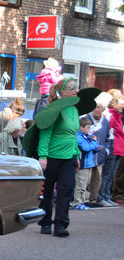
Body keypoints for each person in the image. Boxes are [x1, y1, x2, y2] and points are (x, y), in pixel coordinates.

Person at [26, 78, 97, 237]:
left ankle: (60, 225)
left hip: (69, 157)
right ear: (62, 92)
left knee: (65, 192)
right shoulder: (54, 108)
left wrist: (77, 155)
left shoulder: (74, 109)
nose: (76, 91)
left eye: (76, 88)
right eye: (71, 89)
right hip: (51, 156)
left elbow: (73, 135)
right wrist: (42, 156)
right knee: (48, 192)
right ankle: (45, 222)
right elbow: (45, 133)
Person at [97, 89, 124, 207]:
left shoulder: (117, 116)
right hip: (113, 146)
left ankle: (106, 196)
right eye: (121, 103)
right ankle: (101, 196)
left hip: (118, 147)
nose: (123, 105)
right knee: (107, 174)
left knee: (112, 174)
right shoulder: (110, 115)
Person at [86, 92, 111, 207]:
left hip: (100, 155)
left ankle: (93, 200)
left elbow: (107, 138)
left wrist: (106, 150)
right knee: (86, 178)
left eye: (99, 107)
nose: (96, 109)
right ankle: (83, 199)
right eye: (95, 107)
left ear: (103, 109)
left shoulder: (105, 121)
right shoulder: (85, 119)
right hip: (87, 154)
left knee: (97, 178)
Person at [71, 117, 98, 210]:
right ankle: (76, 203)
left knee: (84, 185)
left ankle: (81, 202)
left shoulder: (86, 136)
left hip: (88, 164)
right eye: (87, 127)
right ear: (81, 127)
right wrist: (94, 142)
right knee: (80, 185)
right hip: (82, 165)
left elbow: (92, 149)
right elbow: (86, 148)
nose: (89, 130)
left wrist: (95, 146)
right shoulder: (78, 136)